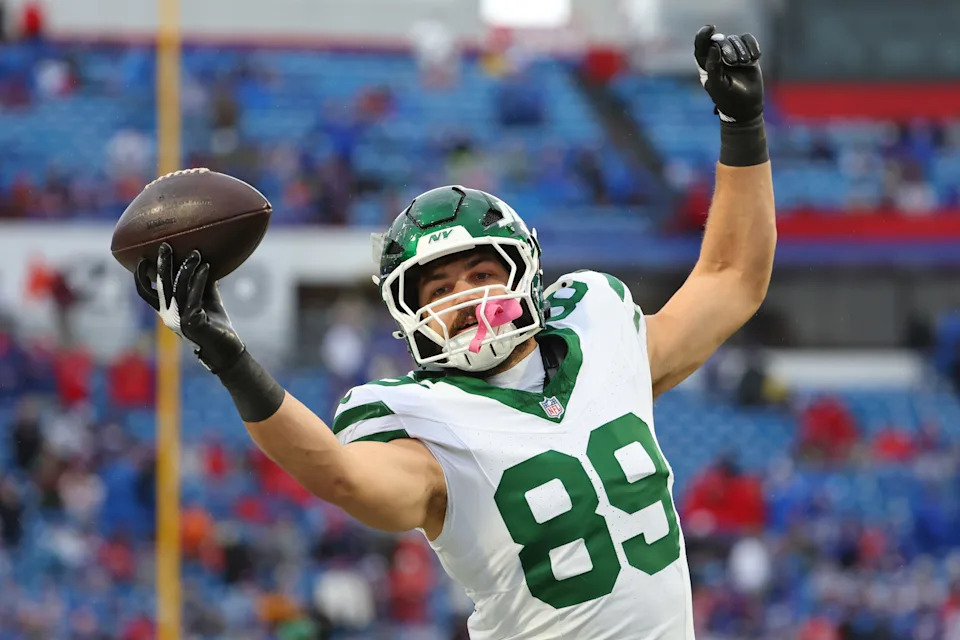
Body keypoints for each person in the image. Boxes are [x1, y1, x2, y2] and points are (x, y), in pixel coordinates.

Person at [133, 26, 775, 640]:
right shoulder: (425, 418)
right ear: (409, 316)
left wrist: (741, 128)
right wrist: (228, 354)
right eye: (439, 290)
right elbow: (344, 476)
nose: (465, 298)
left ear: (526, 273)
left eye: (479, 273)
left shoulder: (599, 329)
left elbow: (732, 278)